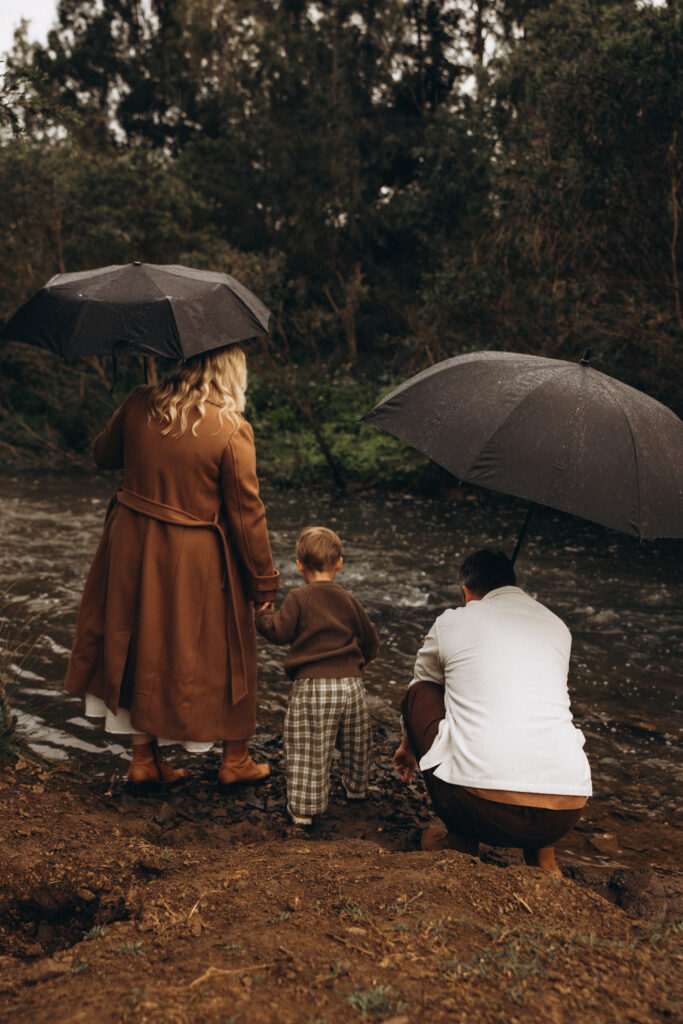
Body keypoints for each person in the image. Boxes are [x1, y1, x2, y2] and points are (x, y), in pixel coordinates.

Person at [64, 344, 279, 787]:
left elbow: (103, 455)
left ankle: (144, 760)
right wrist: (263, 584)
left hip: (129, 545)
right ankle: (234, 758)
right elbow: (246, 514)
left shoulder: (140, 402)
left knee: (135, 639)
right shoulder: (230, 428)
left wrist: (136, 404)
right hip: (194, 553)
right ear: (230, 372)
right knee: (225, 644)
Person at [393, 549, 591, 875]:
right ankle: (543, 859)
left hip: (479, 806)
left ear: (467, 592)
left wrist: (409, 744)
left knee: (421, 689)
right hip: (565, 809)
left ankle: (460, 842)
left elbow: (421, 683)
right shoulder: (558, 626)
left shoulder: (453, 621)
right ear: (513, 585)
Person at [255, 526, 379, 826]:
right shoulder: (349, 598)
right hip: (350, 685)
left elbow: (280, 632)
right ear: (339, 563)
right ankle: (356, 789)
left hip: (312, 685)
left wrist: (263, 616)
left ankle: (303, 810)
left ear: (299, 565)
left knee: (309, 746)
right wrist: (359, 665)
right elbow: (369, 637)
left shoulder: (299, 598)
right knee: (356, 741)